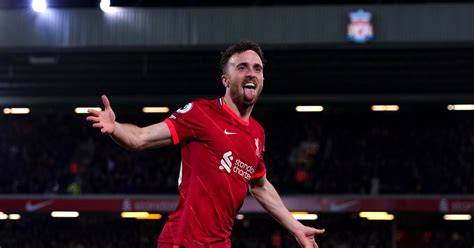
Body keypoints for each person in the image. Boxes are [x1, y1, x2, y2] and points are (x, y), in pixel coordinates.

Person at [86, 40, 325, 248]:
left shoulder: (257, 133)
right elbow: (140, 138)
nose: (251, 73)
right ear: (225, 79)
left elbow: (259, 185)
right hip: (182, 240)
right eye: (242, 67)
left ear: (262, 79)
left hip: (220, 243)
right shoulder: (201, 113)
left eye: (257, 68)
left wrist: (295, 227)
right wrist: (115, 128)